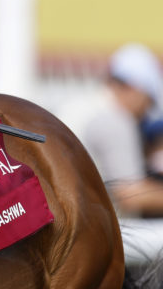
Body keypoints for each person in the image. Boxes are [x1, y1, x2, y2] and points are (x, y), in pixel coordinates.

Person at [59, 43, 163, 217]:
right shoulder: (116, 119)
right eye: (148, 102)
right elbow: (131, 196)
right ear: (134, 89)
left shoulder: (79, 106)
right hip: (87, 234)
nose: (146, 113)